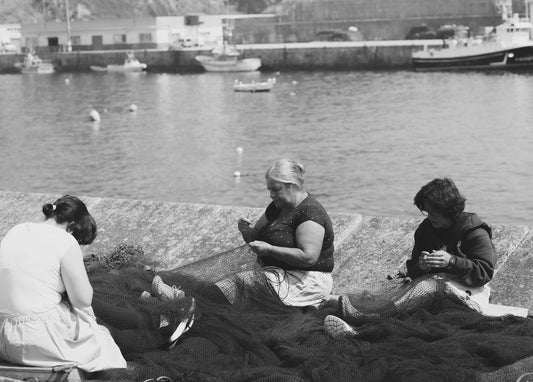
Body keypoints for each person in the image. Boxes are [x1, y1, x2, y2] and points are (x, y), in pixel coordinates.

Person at [324, 177, 499, 338]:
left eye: (434, 212)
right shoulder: (426, 229)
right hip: (433, 284)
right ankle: (362, 326)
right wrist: (421, 266)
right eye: (427, 211)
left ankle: (367, 319)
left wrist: (452, 261)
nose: (429, 216)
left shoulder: (474, 232)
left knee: (425, 287)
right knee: (398, 287)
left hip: (467, 292)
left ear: (448, 210)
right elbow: (413, 271)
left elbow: (484, 272)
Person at [0, 195, 127, 371]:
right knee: (102, 340)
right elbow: (83, 299)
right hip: (38, 341)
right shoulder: (65, 240)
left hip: (5, 339)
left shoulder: (16, 230)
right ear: (72, 226)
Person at [215, 158, 335, 308]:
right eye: (269, 190)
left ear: (292, 186)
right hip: (273, 275)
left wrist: (270, 250)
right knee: (225, 286)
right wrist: (245, 231)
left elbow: (308, 257)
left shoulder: (310, 212)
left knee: (242, 284)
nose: (271, 195)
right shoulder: (277, 207)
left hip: (305, 280)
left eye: (275, 190)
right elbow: (254, 238)